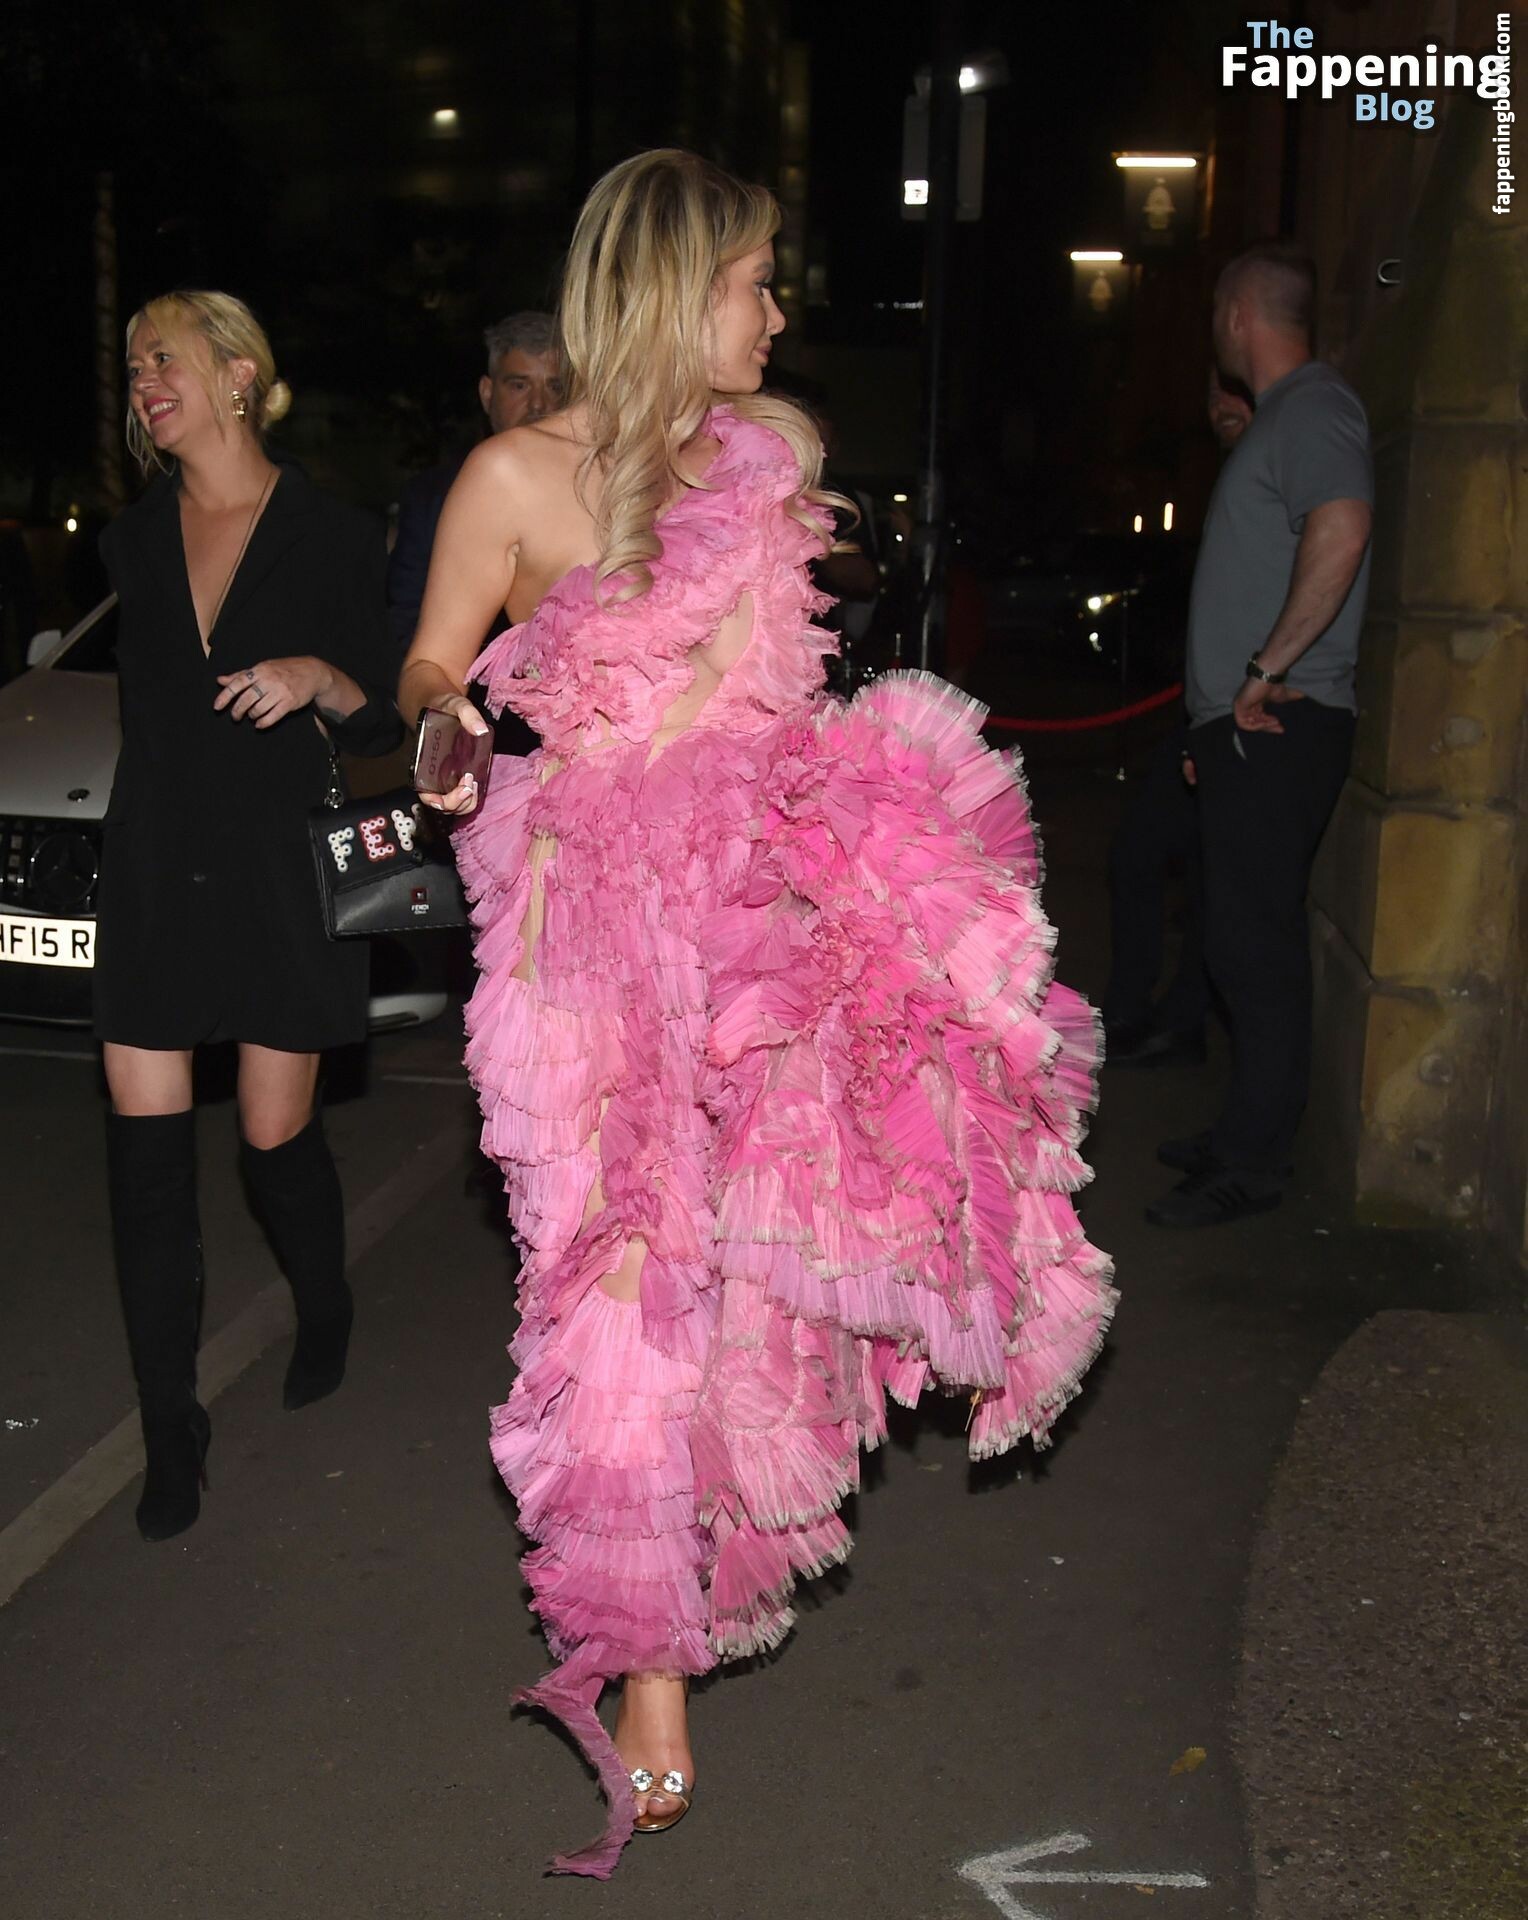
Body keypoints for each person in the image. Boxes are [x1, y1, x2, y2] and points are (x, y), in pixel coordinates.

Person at [401, 150, 1115, 1878]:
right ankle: (649, 1663)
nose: (779, 311)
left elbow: (781, 671)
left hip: (762, 911)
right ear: (671, 290)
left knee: (752, 1270)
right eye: (752, 279)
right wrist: (442, 723)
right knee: (618, 1286)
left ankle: (697, 1565)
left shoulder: (768, 457)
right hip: (591, 941)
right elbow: (433, 658)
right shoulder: (511, 476)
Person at [97, 291, 403, 1541]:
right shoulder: (129, 540)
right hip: (155, 869)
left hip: (277, 876)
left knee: (275, 1143)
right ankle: (171, 1428)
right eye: (132, 368)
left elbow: (384, 718)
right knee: (145, 1167)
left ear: (236, 373)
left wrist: (317, 677)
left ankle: (324, 1304)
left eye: (161, 358)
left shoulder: (332, 535)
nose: (142, 382)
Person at [1147, 243, 1372, 1228]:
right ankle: (1242, 1131)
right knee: (1236, 938)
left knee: (1255, 945)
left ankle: (1255, 1163)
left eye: (1214, 313)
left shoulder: (1315, 406)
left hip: (1280, 720)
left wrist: (1266, 668)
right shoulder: (1284, 417)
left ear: (1239, 314)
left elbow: (1343, 527)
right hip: (1245, 727)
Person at [1103, 368, 1252, 1067]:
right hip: (1205, 711)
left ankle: (1176, 1017)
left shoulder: (1280, 462)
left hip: (1242, 715)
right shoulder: (1236, 479)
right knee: (1153, 857)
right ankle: (1140, 1009)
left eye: (1235, 390)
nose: (1219, 405)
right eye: (1214, 391)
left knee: (1204, 875)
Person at [386, 311, 561, 656]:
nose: (538, 404)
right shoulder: (434, 497)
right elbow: (405, 622)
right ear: (487, 393)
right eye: (520, 385)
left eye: (555, 386)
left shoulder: (601, 490)